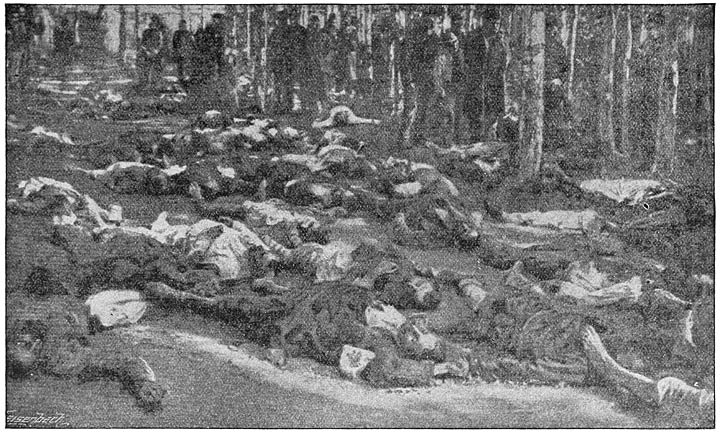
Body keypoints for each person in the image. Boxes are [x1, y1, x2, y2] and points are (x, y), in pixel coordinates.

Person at [398, 11, 442, 148]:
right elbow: (406, 61)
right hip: (414, 78)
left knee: (424, 109)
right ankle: (404, 137)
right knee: (411, 108)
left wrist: (435, 81)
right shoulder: (412, 39)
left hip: (427, 78)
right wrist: (409, 80)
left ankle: (419, 136)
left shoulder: (434, 38)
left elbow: (435, 60)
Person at [464, 7, 506, 140]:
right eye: (492, 23)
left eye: (497, 24)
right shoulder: (473, 38)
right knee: (474, 118)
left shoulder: (499, 43)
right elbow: (467, 63)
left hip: (493, 87)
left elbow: (502, 66)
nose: (494, 26)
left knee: (491, 119)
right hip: (475, 86)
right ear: (484, 22)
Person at [302, 15, 328, 115]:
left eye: (316, 24)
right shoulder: (305, 35)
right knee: (309, 85)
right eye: (312, 24)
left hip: (318, 64)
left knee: (320, 85)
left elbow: (328, 47)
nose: (314, 26)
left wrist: (323, 58)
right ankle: (311, 107)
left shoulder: (322, 35)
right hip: (307, 64)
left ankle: (322, 107)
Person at [138, 15, 165, 89]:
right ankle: (147, 84)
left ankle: (156, 84)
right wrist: (146, 51)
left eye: (154, 21)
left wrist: (156, 50)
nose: (153, 23)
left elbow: (160, 43)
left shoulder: (158, 32)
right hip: (147, 53)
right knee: (146, 69)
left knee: (157, 68)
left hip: (156, 53)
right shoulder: (145, 32)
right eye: (152, 21)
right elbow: (142, 43)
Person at [172, 19, 194, 84]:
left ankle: (186, 77)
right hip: (179, 51)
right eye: (181, 25)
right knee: (180, 65)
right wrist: (175, 51)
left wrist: (190, 50)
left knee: (186, 64)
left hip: (186, 51)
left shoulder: (188, 33)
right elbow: (174, 43)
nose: (182, 27)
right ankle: (181, 77)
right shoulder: (176, 33)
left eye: (183, 25)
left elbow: (191, 42)